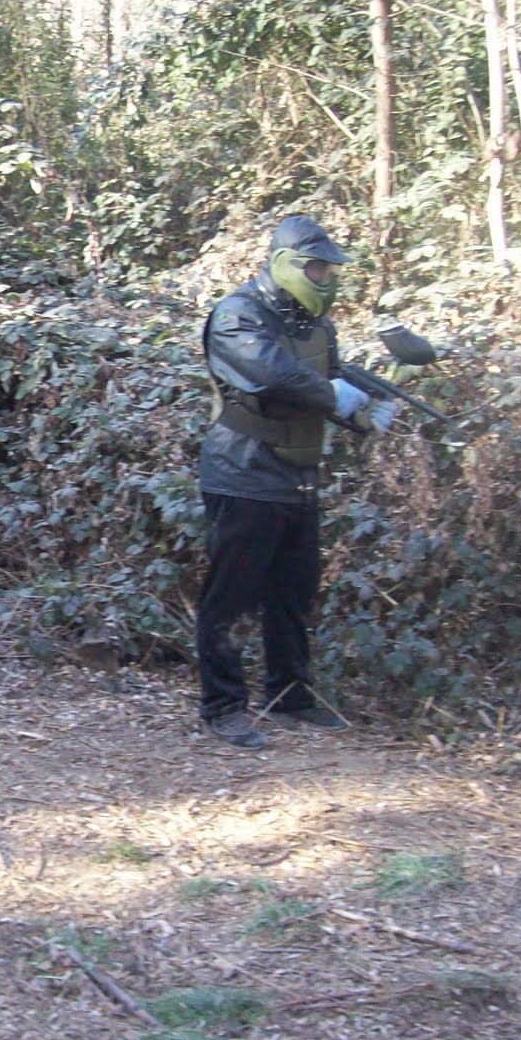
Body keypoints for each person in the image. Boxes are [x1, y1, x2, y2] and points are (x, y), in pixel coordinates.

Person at [196, 216, 396, 749]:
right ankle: (222, 707)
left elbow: (322, 386)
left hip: (298, 476)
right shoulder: (238, 315)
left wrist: (365, 412)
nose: (325, 276)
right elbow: (273, 375)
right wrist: (339, 398)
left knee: (292, 595)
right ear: (286, 264)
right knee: (231, 598)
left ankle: (290, 697)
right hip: (242, 472)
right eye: (316, 266)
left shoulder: (315, 325)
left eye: (329, 268)